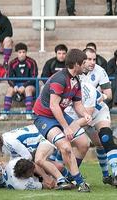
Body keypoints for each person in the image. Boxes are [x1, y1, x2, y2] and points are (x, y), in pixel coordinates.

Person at [33, 49, 92, 192]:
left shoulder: (76, 80)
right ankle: (79, 181)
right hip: (44, 116)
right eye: (84, 63)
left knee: (84, 143)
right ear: (76, 64)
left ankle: (70, 176)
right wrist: (66, 127)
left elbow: (77, 104)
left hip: (58, 114)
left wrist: (85, 114)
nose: (86, 65)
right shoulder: (60, 79)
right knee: (65, 147)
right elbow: (53, 106)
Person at [65, 81, 117, 186]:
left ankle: (115, 173)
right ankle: (65, 176)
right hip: (78, 116)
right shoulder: (62, 87)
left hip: (97, 113)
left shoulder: (90, 83)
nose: (92, 63)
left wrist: (103, 96)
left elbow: (108, 95)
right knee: (68, 143)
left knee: (105, 137)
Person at [2, 125, 73, 190]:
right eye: (31, 172)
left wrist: (45, 177)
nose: (32, 173)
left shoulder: (15, 162)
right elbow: (47, 185)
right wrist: (50, 181)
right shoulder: (22, 185)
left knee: (40, 161)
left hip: (44, 136)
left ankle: (63, 179)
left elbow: (30, 160)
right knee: (57, 166)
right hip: (39, 135)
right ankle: (69, 180)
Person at [0, 43, 38, 121]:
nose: (22, 54)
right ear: (17, 53)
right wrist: (14, 86)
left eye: (24, 52)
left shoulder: (32, 62)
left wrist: (24, 86)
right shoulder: (12, 62)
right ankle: (5, 113)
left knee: (28, 89)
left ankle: (28, 113)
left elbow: (34, 77)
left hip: (29, 85)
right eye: (20, 52)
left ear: (26, 52)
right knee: (9, 90)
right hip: (16, 85)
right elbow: (8, 77)